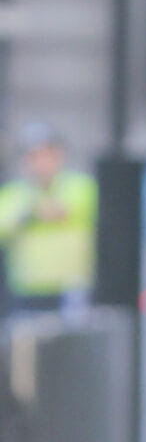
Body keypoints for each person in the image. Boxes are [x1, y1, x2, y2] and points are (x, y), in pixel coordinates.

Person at [0, 125, 97, 316]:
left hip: (73, 290)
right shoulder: (11, 194)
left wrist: (35, 213)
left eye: (48, 155)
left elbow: (67, 211)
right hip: (27, 290)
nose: (42, 162)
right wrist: (30, 214)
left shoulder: (82, 187)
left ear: (61, 156)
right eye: (35, 156)